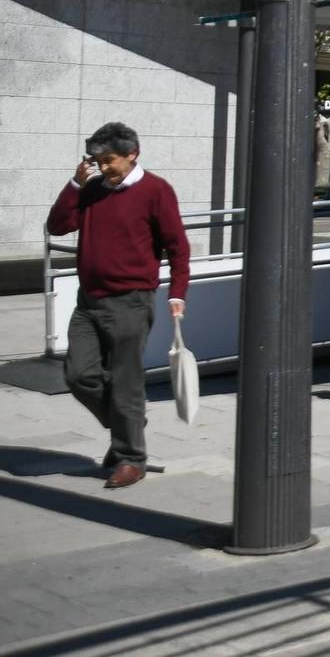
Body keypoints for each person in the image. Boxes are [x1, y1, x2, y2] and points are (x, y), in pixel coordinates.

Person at [45, 122, 190, 489]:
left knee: (126, 384)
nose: (102, 167)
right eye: (96, 160)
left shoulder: (156, 191)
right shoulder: (92, 190)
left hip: (131, 302)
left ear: (132, 154)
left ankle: (130, 459)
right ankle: (129, 424)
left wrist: (177, 293)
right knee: (79, 375)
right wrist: (76, 184)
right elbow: (58, 225)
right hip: (89, 300)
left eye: (108, 160)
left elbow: (177, 247)